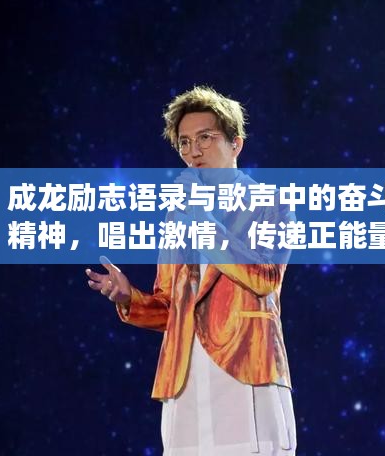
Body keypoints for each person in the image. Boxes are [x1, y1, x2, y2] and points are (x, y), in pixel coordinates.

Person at [86, 86, 296, 455]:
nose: (193, 151)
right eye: (184, 142)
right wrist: (128, 297)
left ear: (236, 144)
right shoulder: (177, 216)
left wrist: (202, 220)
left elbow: (264, 278)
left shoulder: (271, 204)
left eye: (205, 138)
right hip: (185, 378)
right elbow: (170, 308)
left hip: (247, 368)